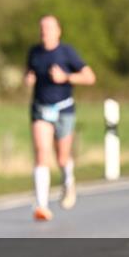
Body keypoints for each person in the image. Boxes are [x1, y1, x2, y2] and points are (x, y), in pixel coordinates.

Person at [24, 15, 96, 221]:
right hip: (40, 109)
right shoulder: (34, 52)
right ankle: (42, 205)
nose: (44, 32)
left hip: (64, 109)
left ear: (58, 31)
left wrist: (66, 77)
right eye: (41, 28)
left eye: (48, 28)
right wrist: (28, 79)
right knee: (41, 153)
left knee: (62, 157)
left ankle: (68, 181)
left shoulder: (67, 52)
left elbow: (90, 77)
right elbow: (29, 73)